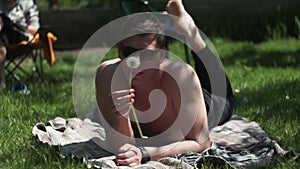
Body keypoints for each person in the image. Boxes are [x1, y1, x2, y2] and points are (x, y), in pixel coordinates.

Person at [95, 0, 235, 167]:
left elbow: (202, 142)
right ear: (119, 50)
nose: (136, 62)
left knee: (221, 93)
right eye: (130, 52)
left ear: (162, 55)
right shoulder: (108, 75)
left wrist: (146, 153)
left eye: (147, 55)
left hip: (205, 104)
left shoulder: (181, 77)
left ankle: (191, 31)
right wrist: (121, 117)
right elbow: (120, 145)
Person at [0, 0, 40, 89]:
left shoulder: (26, 2)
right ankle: (1, 83)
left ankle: (1, 82)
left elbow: (35, 27)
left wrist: (23, 26)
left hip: (21, 36)